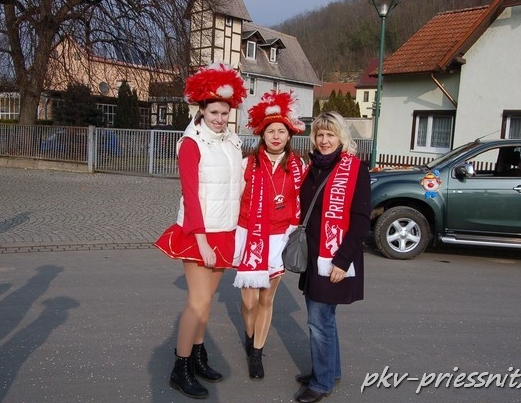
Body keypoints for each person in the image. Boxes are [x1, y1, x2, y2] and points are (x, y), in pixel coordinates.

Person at [154, 63, 247, 399]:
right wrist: (202, 241)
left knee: (206, 302)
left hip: (225, 229)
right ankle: (180, 368)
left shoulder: (233, 142)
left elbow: (238, 186)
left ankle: (197, 355)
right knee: (198, 300)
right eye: (214, 112)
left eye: (225, 113)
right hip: (199, 232)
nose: (220, 119)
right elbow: (191, 196)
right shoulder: (192, 143)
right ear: (202, 110)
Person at [293, 111, 371, 403]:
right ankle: (329, 370)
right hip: (313, 256)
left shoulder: (355, 169)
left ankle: (321, 383)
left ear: (342, 138)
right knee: (325, 318)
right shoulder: (312, 168)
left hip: (334, 257)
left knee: (319, 320)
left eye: (331, 135)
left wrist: (342, 260)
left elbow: (361, 220)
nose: (324, 140)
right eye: (320, 135)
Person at [232, 90, 306, 379]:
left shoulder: (299, 167)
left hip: (279, 239)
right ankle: (250, 335)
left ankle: (257, 352)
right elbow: (232, 199)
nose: (276, 136)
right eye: (271, 131)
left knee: (266, 300)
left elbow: (305, 201)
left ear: (289, 135)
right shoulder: (247, 164)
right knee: (248, 302)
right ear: (262, 135)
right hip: (250, 236)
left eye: (281, 131)